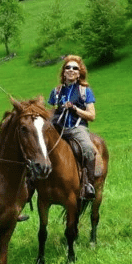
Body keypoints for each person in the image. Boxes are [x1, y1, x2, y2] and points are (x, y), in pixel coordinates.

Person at [48, 55, 97, 199]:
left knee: (88, 148)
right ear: (63, 72)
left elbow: (92, 115)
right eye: (68, 67)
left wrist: (75, 109)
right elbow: (51, 111)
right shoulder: (56, 92)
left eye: (75, 68)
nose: (71, 70)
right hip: (58, 128)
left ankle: (88, 183)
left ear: (79, 73)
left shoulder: (85, 91)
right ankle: (32, 182)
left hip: (77, 128)